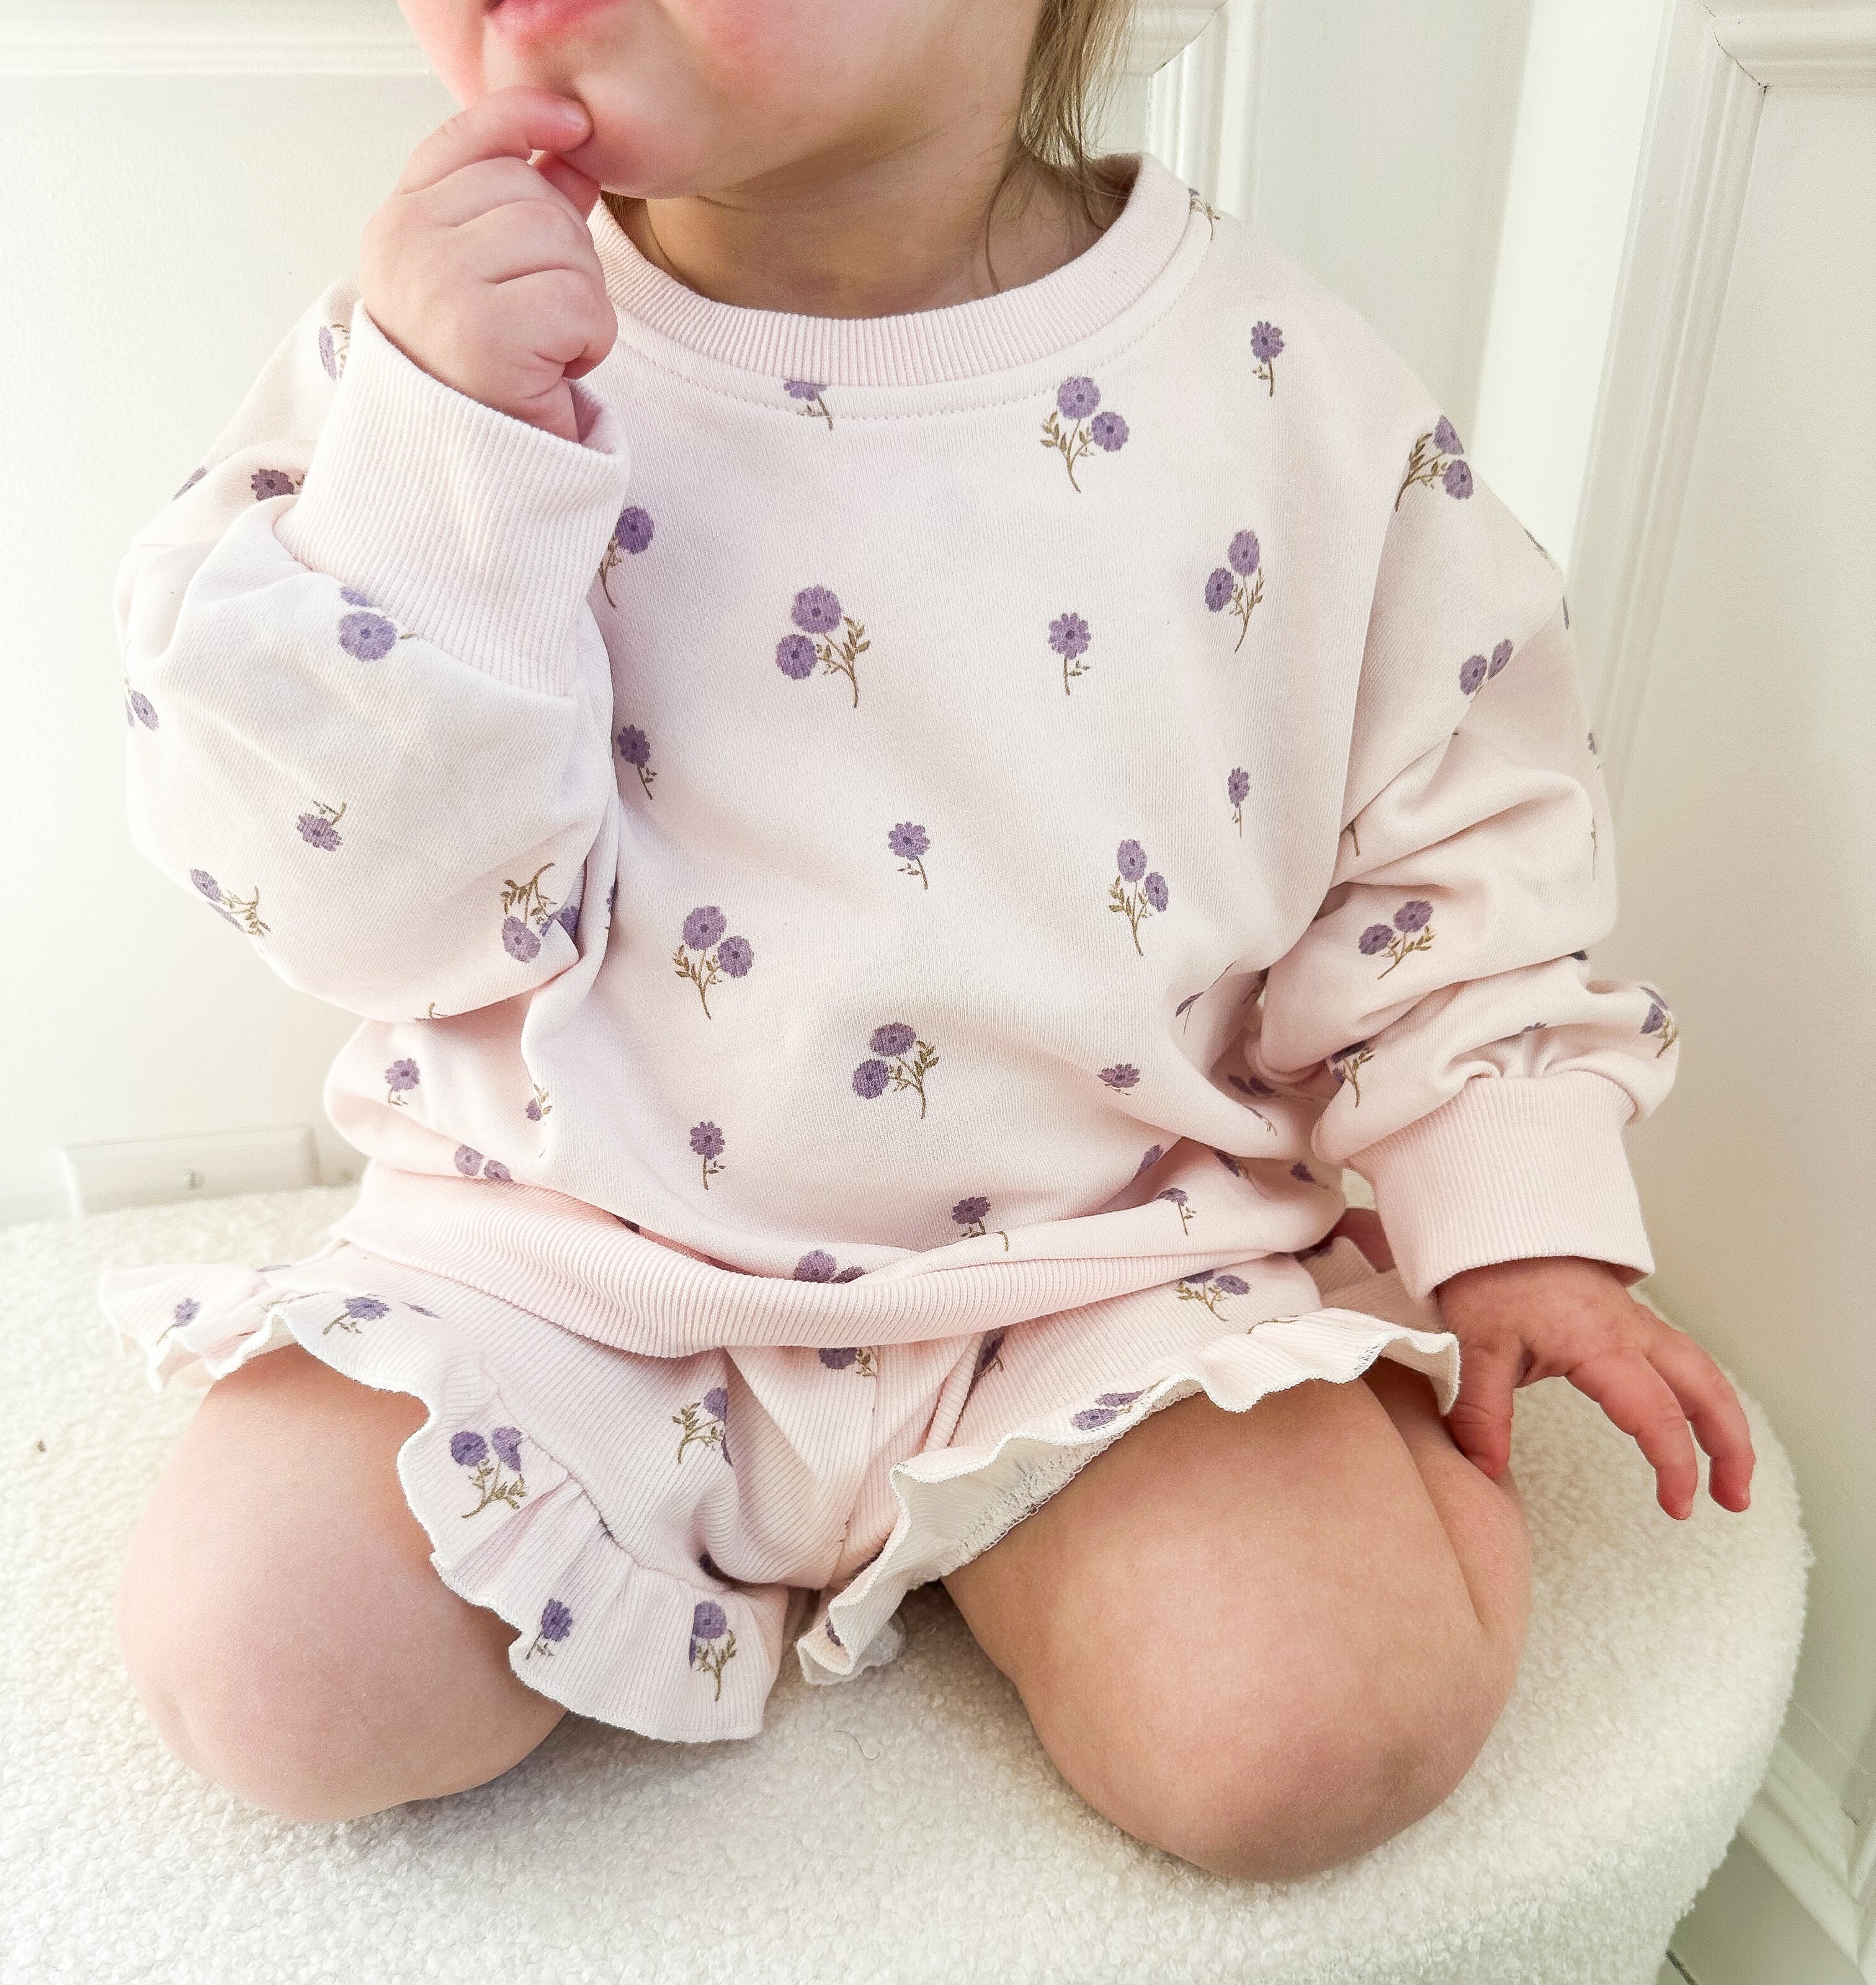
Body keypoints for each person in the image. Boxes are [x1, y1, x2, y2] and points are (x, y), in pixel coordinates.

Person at [101, 0, 1755, 1881]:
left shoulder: (1281, 392)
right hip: (562, 1256)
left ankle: (1147, 1501)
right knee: (265, 1664)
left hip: (1109, 1268)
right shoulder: (418, 360)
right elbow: (355, 908)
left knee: (1313, 1727)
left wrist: (1510, 1204)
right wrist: (443, 470)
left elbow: (1451, 837)